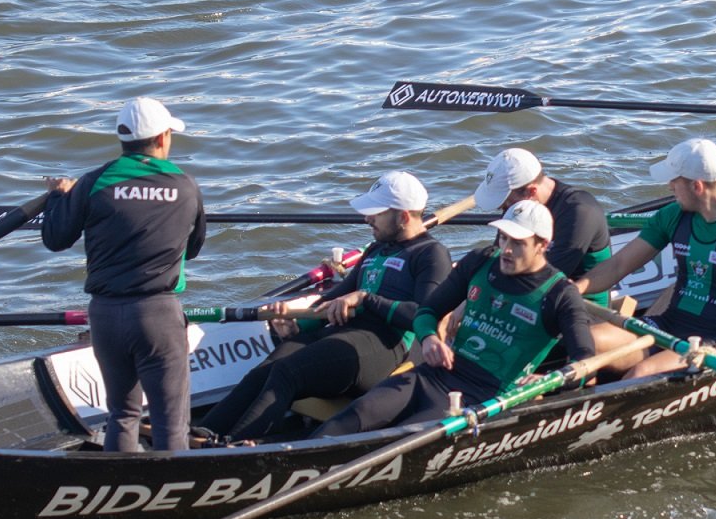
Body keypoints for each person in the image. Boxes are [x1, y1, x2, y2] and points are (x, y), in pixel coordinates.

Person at [193, 170, 450, 444]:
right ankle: (203, 433)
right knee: (270, 365)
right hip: (346, 337)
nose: (367, 219)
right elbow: (333, 298)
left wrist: (366, 299)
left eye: (376, 213)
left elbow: (424, 316)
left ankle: (232, 447)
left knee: (287, 372)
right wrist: (297, 322)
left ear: (403, 216)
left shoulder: (430, 254)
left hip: (386, 348)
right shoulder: (376, 250)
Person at [313, 201, 593, 437]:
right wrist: (430, 338)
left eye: (517, 243)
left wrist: (551, 380)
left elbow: (586, 364)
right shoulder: (481, 261)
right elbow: (427, 312)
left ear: (542, 245)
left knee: (401, 437)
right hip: (437, 372)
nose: (505, 250)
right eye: (503, 238)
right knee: (359, 412)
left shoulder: (561, 295)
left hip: (484, 397)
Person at [40, 96, 206, 452]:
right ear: (162, 138)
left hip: (105, 316)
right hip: (157, 315)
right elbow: (193, 248)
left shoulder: (93, 182)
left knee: (123, 414)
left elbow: (55, 238)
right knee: (171, 425)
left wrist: (58, 198)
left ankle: (119, 494)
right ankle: (169, 500)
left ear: (123, 141)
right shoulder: (185, 185)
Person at [579, 138, 716, 378]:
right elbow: (618, 265)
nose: (669, 187)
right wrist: (573, 289)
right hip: (666, 327)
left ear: (697, 186)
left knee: (641, 373)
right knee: (587, 340)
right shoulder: (673, 215)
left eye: (674, 182)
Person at [472, 146, 612, 296]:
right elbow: (496, 261)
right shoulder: (517, 207)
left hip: (576, 306)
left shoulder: (580, 213)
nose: (502, 209)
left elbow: (541, 280)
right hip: (524, 297)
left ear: (532, 191)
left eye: (506, 203)